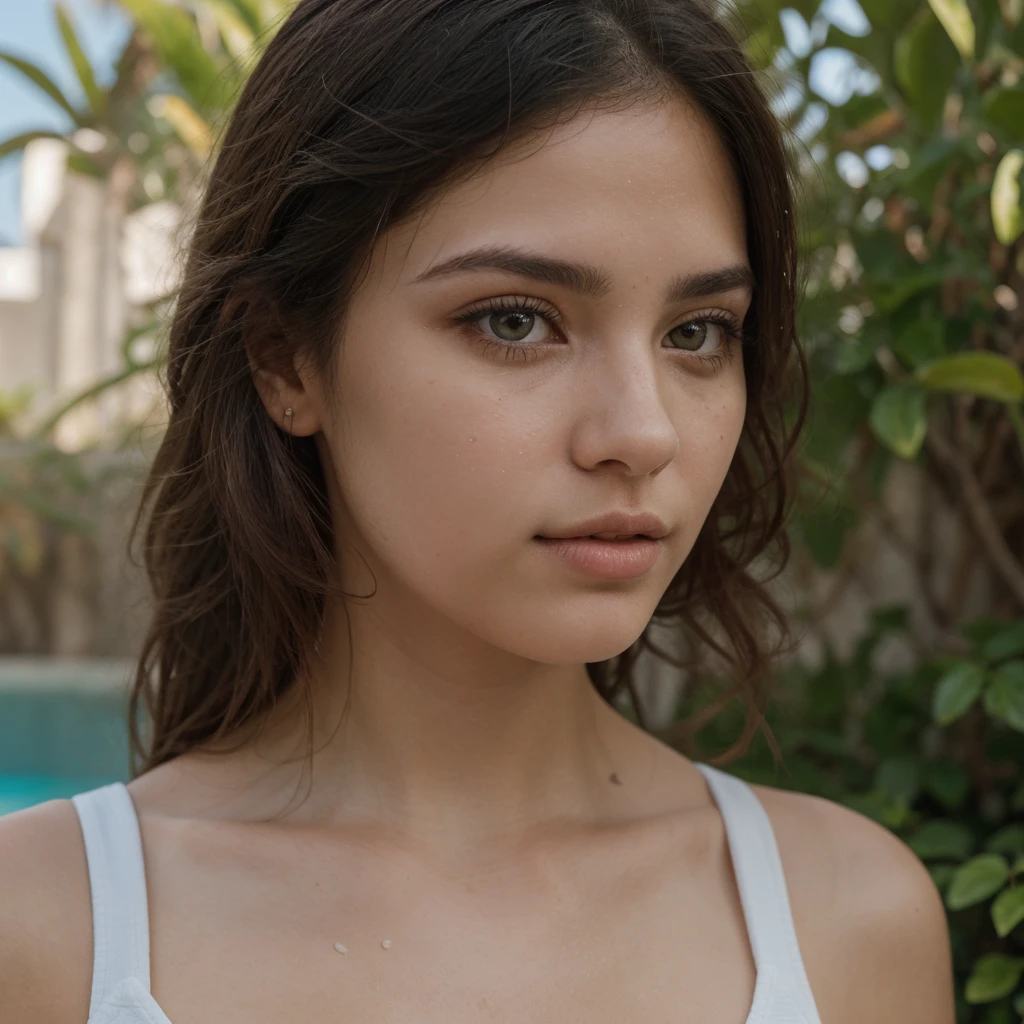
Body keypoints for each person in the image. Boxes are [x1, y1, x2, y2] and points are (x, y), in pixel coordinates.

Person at [0, 1, 955, 1021]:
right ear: (285, 356)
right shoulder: (45, 929)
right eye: (515, 320)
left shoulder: (846, 922)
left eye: (697, 332)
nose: (642, 433)